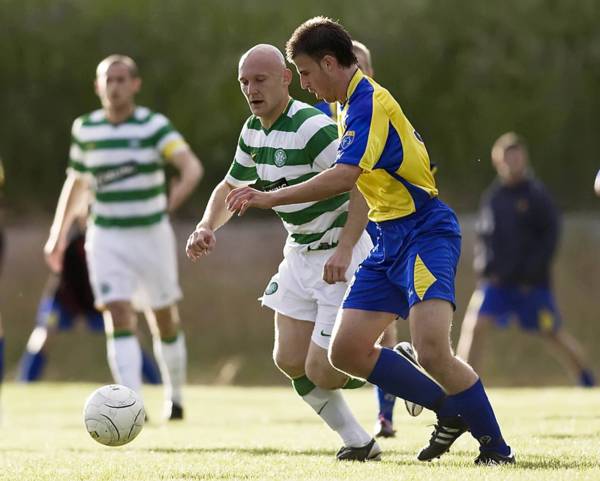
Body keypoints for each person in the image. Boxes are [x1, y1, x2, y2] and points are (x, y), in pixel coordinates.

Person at [226, 17, 515, 465]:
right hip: (388, 238)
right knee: (344, 352)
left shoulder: (366, 103)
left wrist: (270, 197)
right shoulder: (346, 105)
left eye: (305, 73)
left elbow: (344, 177)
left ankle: (497, 450)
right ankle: (448, 410)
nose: (304, 84)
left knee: (433, 350)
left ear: (328, 63)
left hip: (424, 231)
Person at [186, 44, 381, 461]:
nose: (251, 89)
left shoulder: (312, 127)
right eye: (244, 82)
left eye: (260, 80)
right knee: (289, 359)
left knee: (323, 367)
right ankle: (359, 441)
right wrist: (205, 226)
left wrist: (345, 248)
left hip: (339, 253)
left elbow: (362, 184)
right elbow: (230, 187)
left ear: (286, 79)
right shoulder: (252, 131)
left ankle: (392, 368)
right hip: (299, 253)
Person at [43, 54, 203, 420]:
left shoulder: (153, 126)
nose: (114, 86)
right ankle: (132, 405)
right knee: (117, 312)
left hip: (150, 235)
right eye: (108, 80)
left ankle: (176, 398)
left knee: (163, 317)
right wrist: (58, 234)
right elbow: (77, 182)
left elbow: (191, 167)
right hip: (106, 237)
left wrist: (174, 199)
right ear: (98, 86)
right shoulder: (86, 129)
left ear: (135, 85)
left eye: (121, 79)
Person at [457, 132, 595, 387]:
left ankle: (587, 382)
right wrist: (485, 270)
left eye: (517, 157)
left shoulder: (537, 195)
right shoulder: (494, 198)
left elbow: (550, 237)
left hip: (531, 286)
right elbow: (484, 239)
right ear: (498, 162)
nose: (513, 162)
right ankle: (462, 385)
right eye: (508, 158)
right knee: (475, 325)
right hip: (497, 285)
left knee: (553, 332)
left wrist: (531, 274)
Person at [18, 220, 161, 385]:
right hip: (64, 303)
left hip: (97, 305)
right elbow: (68, 284)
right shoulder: (73, 244)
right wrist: (78, 314)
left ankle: (156, 383)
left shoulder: (112, 246)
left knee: (131, 334)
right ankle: (25, 382)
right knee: (43, 335)